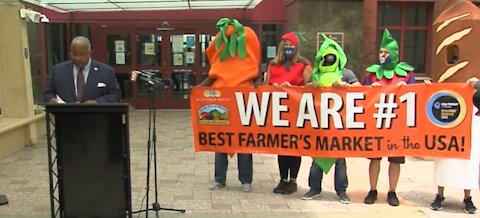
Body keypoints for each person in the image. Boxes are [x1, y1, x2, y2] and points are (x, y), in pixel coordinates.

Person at [196, 18, 261, 192]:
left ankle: (246, 180)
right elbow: (213, 76)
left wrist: (257, 89)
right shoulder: (220, 55)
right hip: (221, 99)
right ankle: (219, 179)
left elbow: (257, 75)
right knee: (220, 143)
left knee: (244, 143)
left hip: (243, 102)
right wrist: (197, 90)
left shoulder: (249, 51)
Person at [302, 34, 360, 203]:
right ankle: (314, 188)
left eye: (332, 55)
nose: (329, 58)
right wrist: (311, 85)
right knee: (316, 158)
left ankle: (341, 190)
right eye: (326, 55)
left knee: (340, 159)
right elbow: (303, 91)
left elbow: (360, 90)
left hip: (340, 125)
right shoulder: (316, 74)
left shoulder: (346, 73)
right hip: (319, 124)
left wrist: (345, 86)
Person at [362, 29, 415, 207]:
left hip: (397, 125)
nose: (382, 55)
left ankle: (392, 191)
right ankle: (373, 189)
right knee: (375, 158)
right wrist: (371, 88)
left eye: (385, 52)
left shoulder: (406, 74)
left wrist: (406, 88)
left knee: (395, 160)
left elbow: (416, 95)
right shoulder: (371, 73)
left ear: (393, 54)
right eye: (380, 52)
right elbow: (361, 96)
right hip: (376, 123)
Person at [264, 32, 312, 195]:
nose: (288, 48)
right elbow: (266, 85)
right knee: (281, 146)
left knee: (294, 147)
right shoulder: (273, 64)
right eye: (286, 45)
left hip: (297, 112)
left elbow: (310, 87)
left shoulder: (304, 64)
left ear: (296, 47)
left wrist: (292, 88)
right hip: (278, 112)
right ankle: (283, 179)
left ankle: (293, 181)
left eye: (291, 45)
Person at [428, 76, 479, 214]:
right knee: (444, 160)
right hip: (449, 121)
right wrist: (429, 88)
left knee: (469, 162)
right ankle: (440, 195)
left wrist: (476, 83)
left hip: (473, 123)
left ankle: (467, 197)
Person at [44, 36, 121, 103]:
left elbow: (116, 95)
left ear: (90, 53)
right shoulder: (58, 71)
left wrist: (97, 102)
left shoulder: (106, 72)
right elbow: (48, 93)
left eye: (82, 54)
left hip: (96, 117)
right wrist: (51, 99)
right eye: (74, 54)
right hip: (65, 117)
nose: (77, 58)